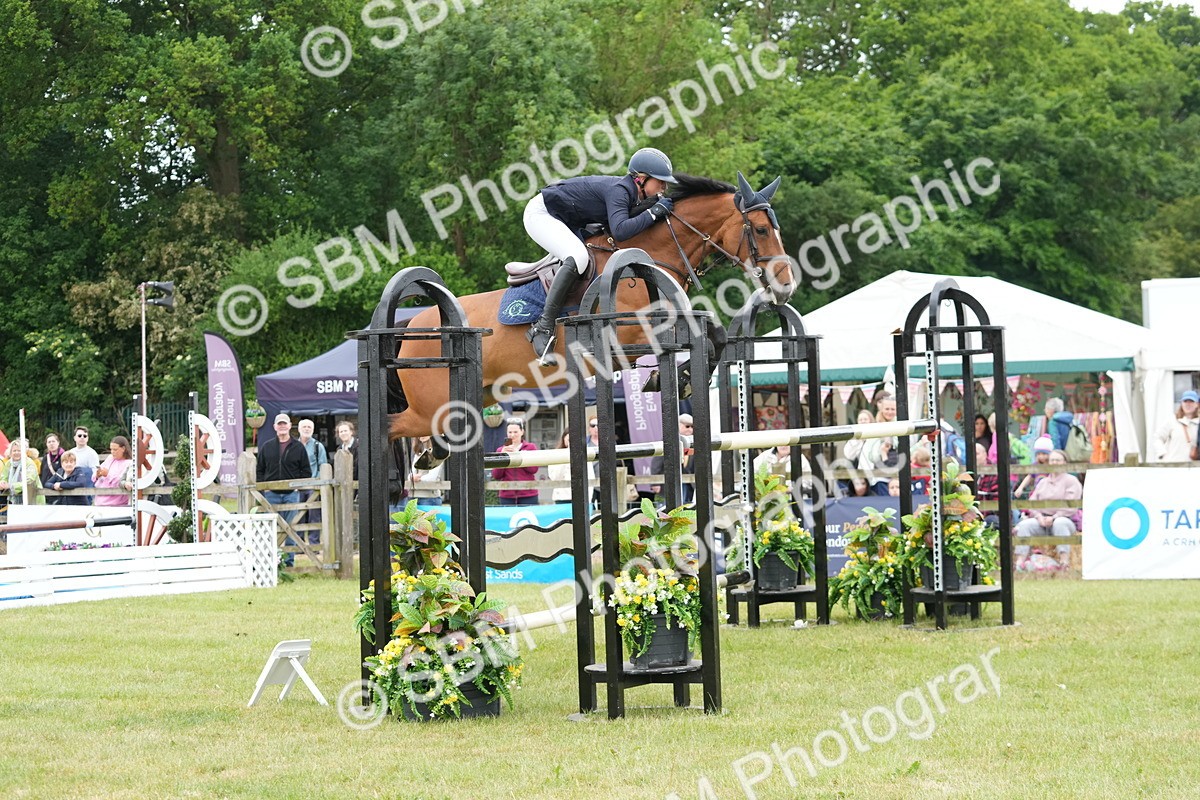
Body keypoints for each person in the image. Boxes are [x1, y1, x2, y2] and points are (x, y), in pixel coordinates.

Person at [523, 147, 678, 364]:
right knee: (578, 257)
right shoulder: (620, 191)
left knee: (590, 254)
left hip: (567, 219)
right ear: (641, 179)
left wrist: (651, 209)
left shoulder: (630, 193)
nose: (664, 186)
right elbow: (621, 230)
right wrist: (653, 213)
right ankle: (542, 327)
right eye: (660, 181)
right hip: (541, 214)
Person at [1015, 449, 1083, 570]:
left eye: (1058, 460)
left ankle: (1064, 562)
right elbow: (1032, 503)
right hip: (1042, 521)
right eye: (1052, 460)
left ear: (1064, 463)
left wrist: (1054, 517)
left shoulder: (1071, 481)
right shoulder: (1043, 482)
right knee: (1025, 525)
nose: (1054, 463)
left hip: (1065, 520)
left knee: (1060, 523)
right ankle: (1020, 562)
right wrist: (1039, 517)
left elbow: (1071, 505)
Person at [257, 414, 311, 521]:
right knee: (272, 527)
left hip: (292, 494)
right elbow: (259, 470)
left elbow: (306, 471)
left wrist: (296, 486)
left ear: (290, 426)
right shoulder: (267, 446)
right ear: (274, 427)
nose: (282, 426)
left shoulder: (298, 447)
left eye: (284, 423)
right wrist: (265, 489)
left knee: (290, 528)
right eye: (279, 424)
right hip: (271, 494)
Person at [650, 414, 696, 505]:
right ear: (678, 425)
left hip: (688, 483)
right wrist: (655, 482)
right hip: (669, 483)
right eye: (687, 426)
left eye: (692, 426)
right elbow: (656, 462)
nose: (690, 429)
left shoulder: (694, 441)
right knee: (665, 509)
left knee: (686, 508)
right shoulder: (668, 439)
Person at [858, 395, 900, 494]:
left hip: (897, 474)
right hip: (879, 476)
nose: (890, 412)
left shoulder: (901, 424)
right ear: (881, 409)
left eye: (893, 409)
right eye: (887, 409)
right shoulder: (875, 427)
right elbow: (869, 453)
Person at [492, 420, 540, 505]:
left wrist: (518, 454)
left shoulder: (530, 447)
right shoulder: (500, 450)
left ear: (522, 432)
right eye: (510, 432)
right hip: (507, 495)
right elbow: (496, 475)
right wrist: (502, 455)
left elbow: (534, 469)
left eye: (515, 432)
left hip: (528, 493)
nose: (512, 435)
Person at [1155, 390, 1199, 462]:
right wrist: (1162, 453)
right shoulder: (1172, 420)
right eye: (1185, 401)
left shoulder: (1198, 424)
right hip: (1174, 466)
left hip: (1194, 468)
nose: (1188, 404)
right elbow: (1157, 437)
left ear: (1196, 404)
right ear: (1181, 404)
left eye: (1191, 401)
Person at [93, 436, 134, 507]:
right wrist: (97, 474)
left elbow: (122, 481)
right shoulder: (110, 458)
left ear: (123, 449)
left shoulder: (129, 463)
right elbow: (96, 474)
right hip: (99, 501)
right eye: (111, 449)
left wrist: (108, 475)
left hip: (117, 503)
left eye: (115, 449)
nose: (112, 452)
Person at [410, 436, 445, 508]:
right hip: (414, 497)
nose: (422, 436)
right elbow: (411, 474)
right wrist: (413, 477)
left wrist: (418, 478)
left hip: (430, 497)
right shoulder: (418, 453)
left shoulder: (437, 453)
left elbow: (432, 477)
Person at [547, 432, 573, 503]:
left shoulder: (583, 453)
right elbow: (555, 477)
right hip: (562, 497)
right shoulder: (556, 454)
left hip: (579, 496)